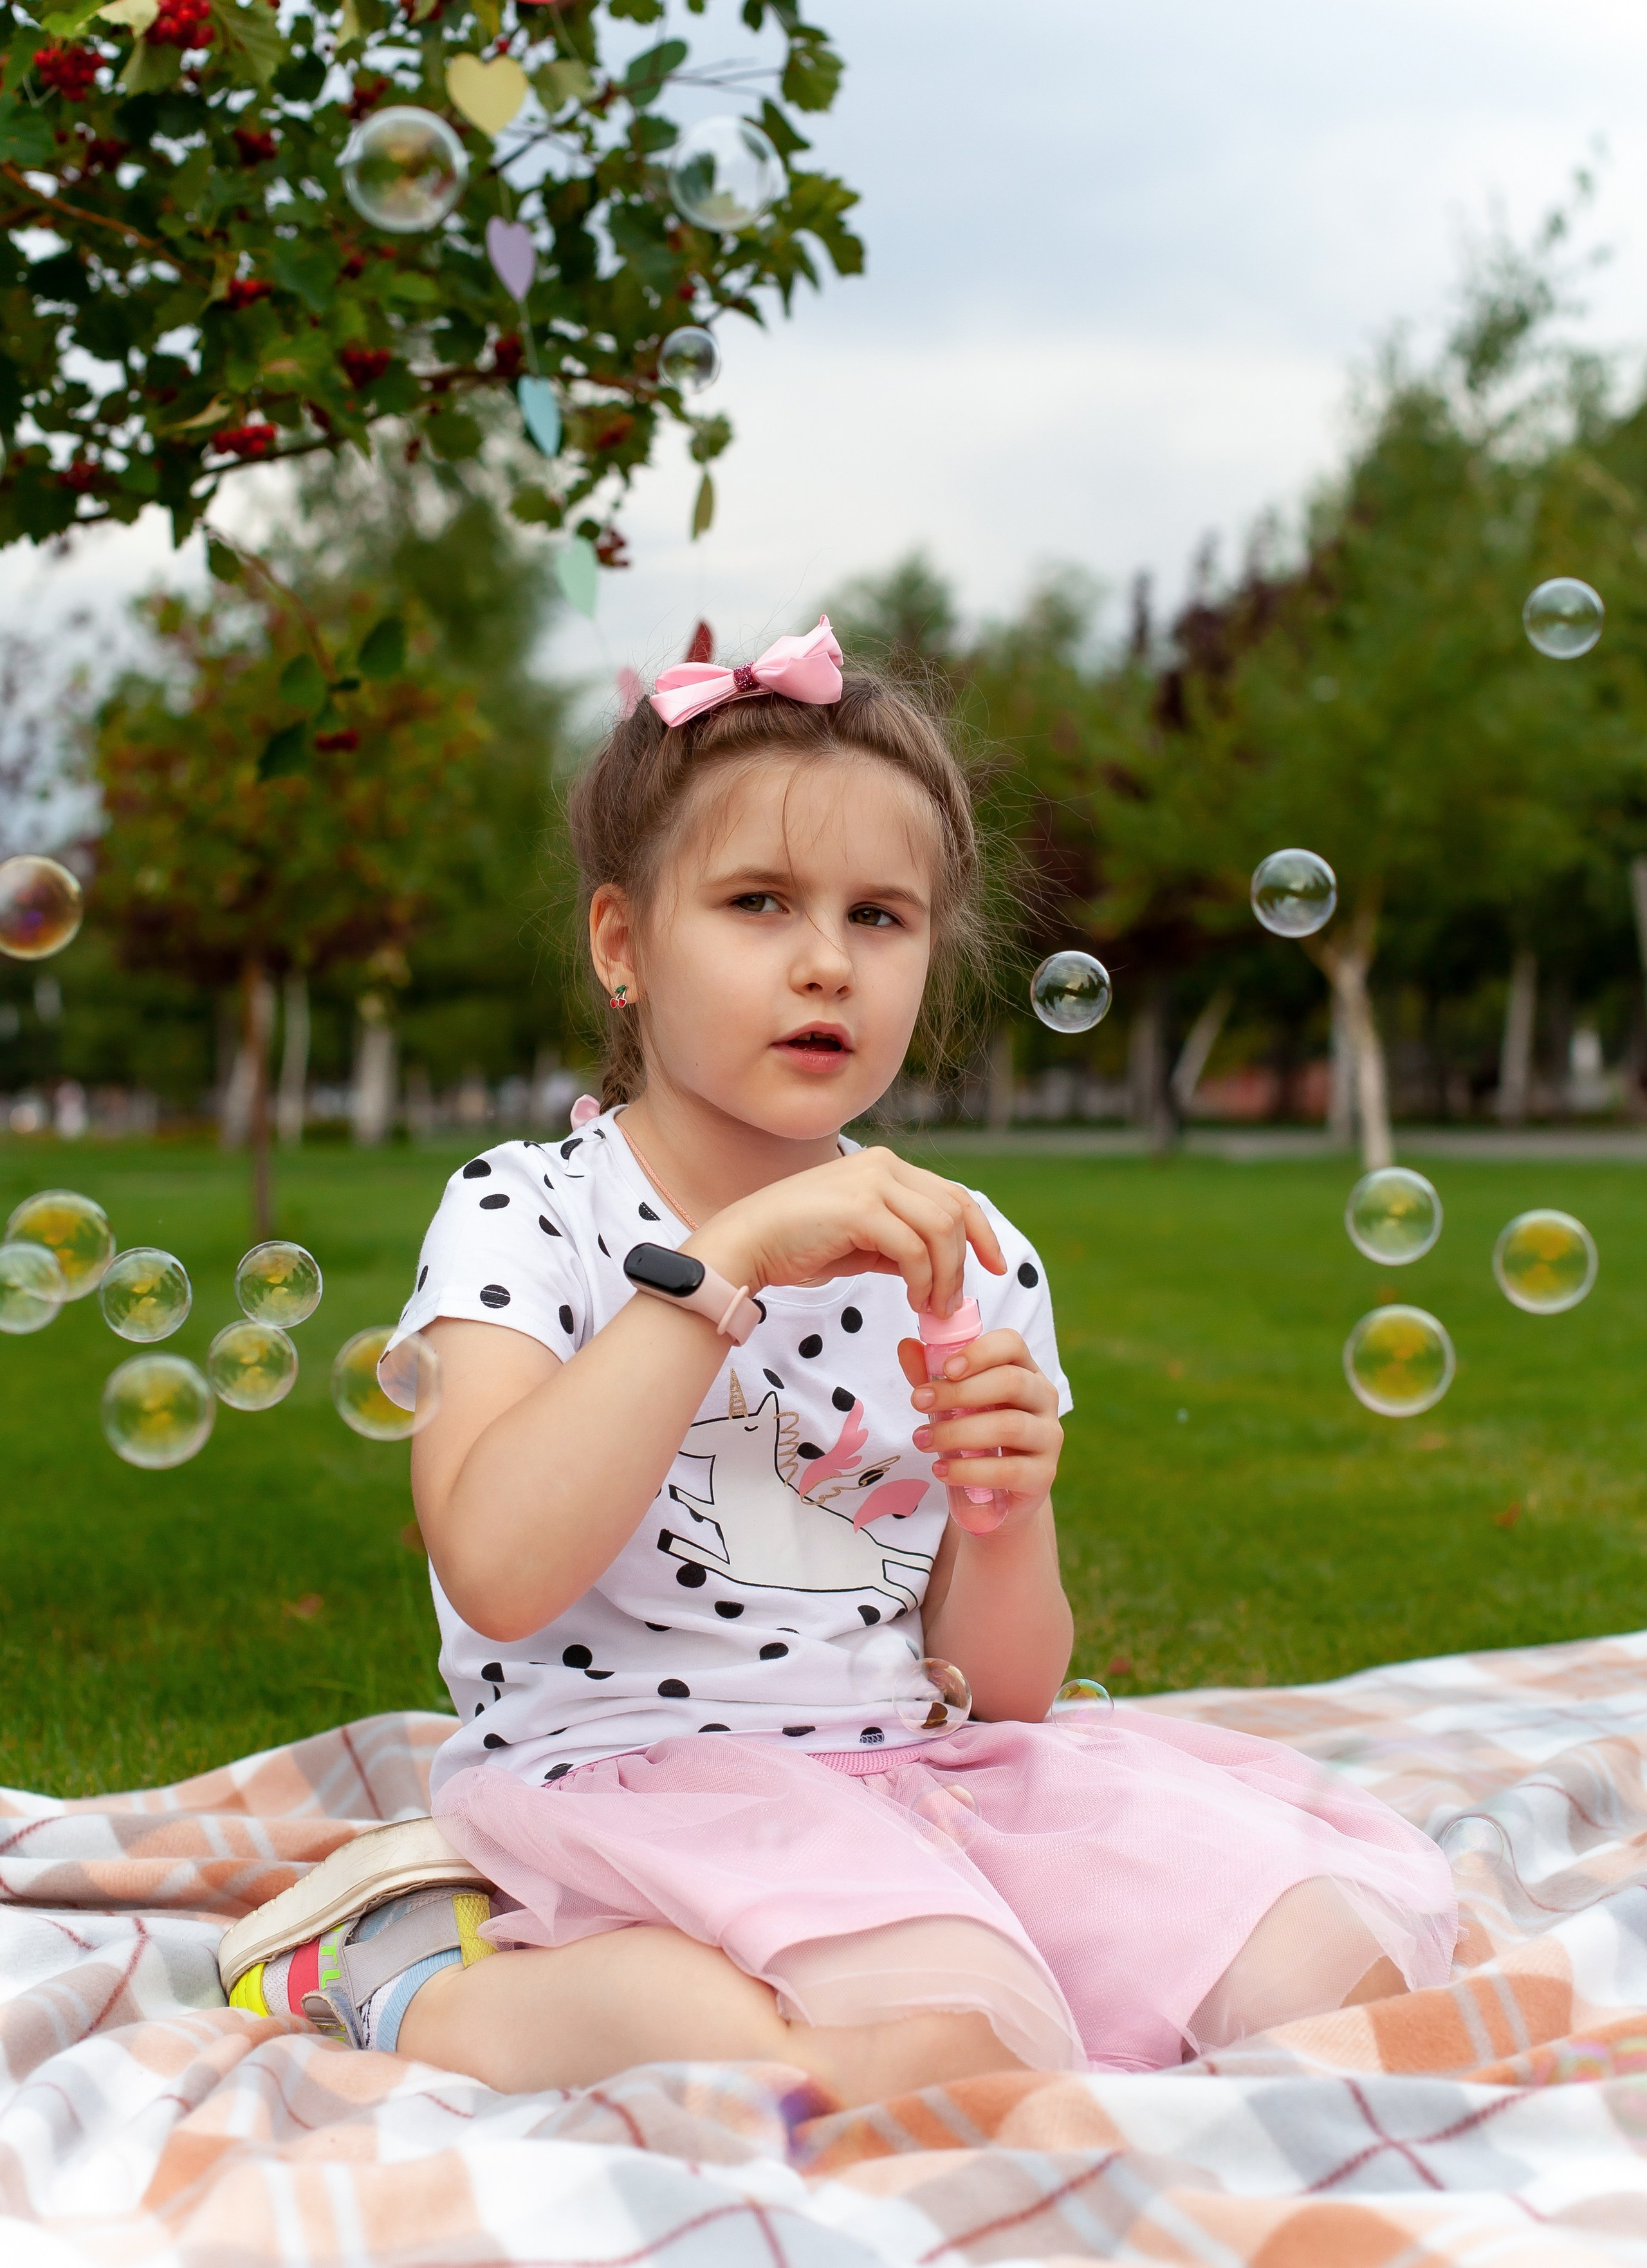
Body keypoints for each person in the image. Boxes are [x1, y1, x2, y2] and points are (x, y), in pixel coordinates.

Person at [223, 618, 1455, 2104]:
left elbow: (1002, 1692)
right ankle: (409, 1977)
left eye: (880, 917)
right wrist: (722, 1266)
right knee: (941, 2054)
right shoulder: (527, 1209)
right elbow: (494, 1563)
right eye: (757, 902)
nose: (824, 961)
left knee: (1335, 1973)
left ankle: (868, 1959)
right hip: (626, 1782)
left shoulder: (965, 1250)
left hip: (908, 1779)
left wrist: (1008, 1507)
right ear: (622, 944)